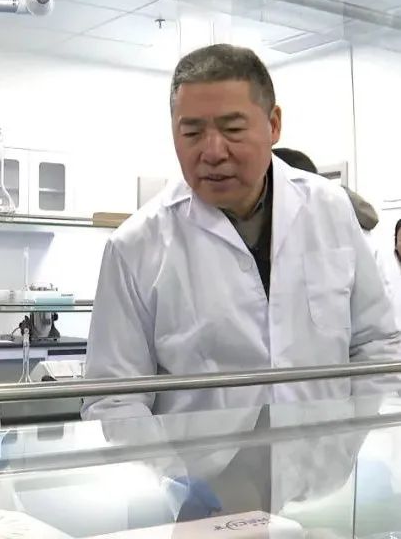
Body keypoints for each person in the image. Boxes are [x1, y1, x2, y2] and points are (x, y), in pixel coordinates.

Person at [82, 43, 401, 517]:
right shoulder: (137, 245)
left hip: (323, 484)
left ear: (273, 124)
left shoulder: (329, 210)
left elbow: (377, 345)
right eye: (192, 132)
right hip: (199, 496)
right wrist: (173, 481)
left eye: (232, 129)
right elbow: (113, 398)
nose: (212, 152)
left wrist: (352, 439)